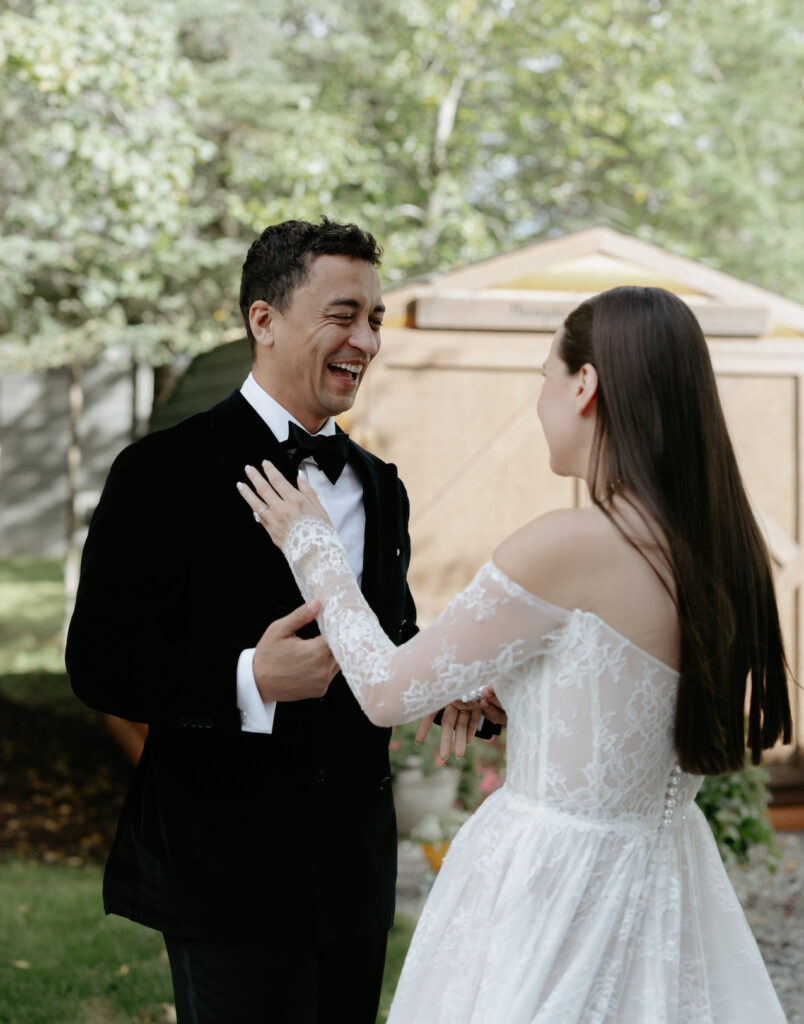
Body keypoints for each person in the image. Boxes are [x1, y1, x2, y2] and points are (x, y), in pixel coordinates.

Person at [240, 285, 792, 1023]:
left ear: (585, 386)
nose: (540, 402)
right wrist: (528, 689)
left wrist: (315, 551)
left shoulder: (571, 544)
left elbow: (383, 692)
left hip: (557, 895)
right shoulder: (720, 548)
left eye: (544, 378)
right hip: (672, 884)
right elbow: (630, 695)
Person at [67, 217, 472, 1024]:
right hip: (226, 870)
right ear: (264, 320)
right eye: (343, 314)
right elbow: (100, 661)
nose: (366, 340)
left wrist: (443, 683)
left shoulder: (380, 487)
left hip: (355, 871)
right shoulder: (161, 471)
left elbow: (383, 640)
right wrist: (250, 678)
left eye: (376, 319)